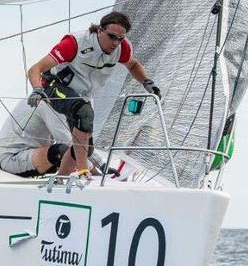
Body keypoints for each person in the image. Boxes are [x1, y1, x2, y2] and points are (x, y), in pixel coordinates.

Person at [26, 11, 159, 174]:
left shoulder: (122, 48)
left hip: (82, 94)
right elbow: (35, 69)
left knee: (84, 149)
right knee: (84, 113)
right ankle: (83, 173)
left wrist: (148, 82)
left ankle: (61, 178)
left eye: (120, 38)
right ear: (100, 30)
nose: (116, 43)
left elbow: (133, 65)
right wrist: (37, 90)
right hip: (53, 85)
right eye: (112, 36)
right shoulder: (75, 43)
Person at [0, 98, 72, 177]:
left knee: (74, 150)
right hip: (12, 158)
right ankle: (65, 182)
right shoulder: (49, 102)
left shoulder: (47, 95)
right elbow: (68, 142)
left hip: (35, 154)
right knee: (63, 151)